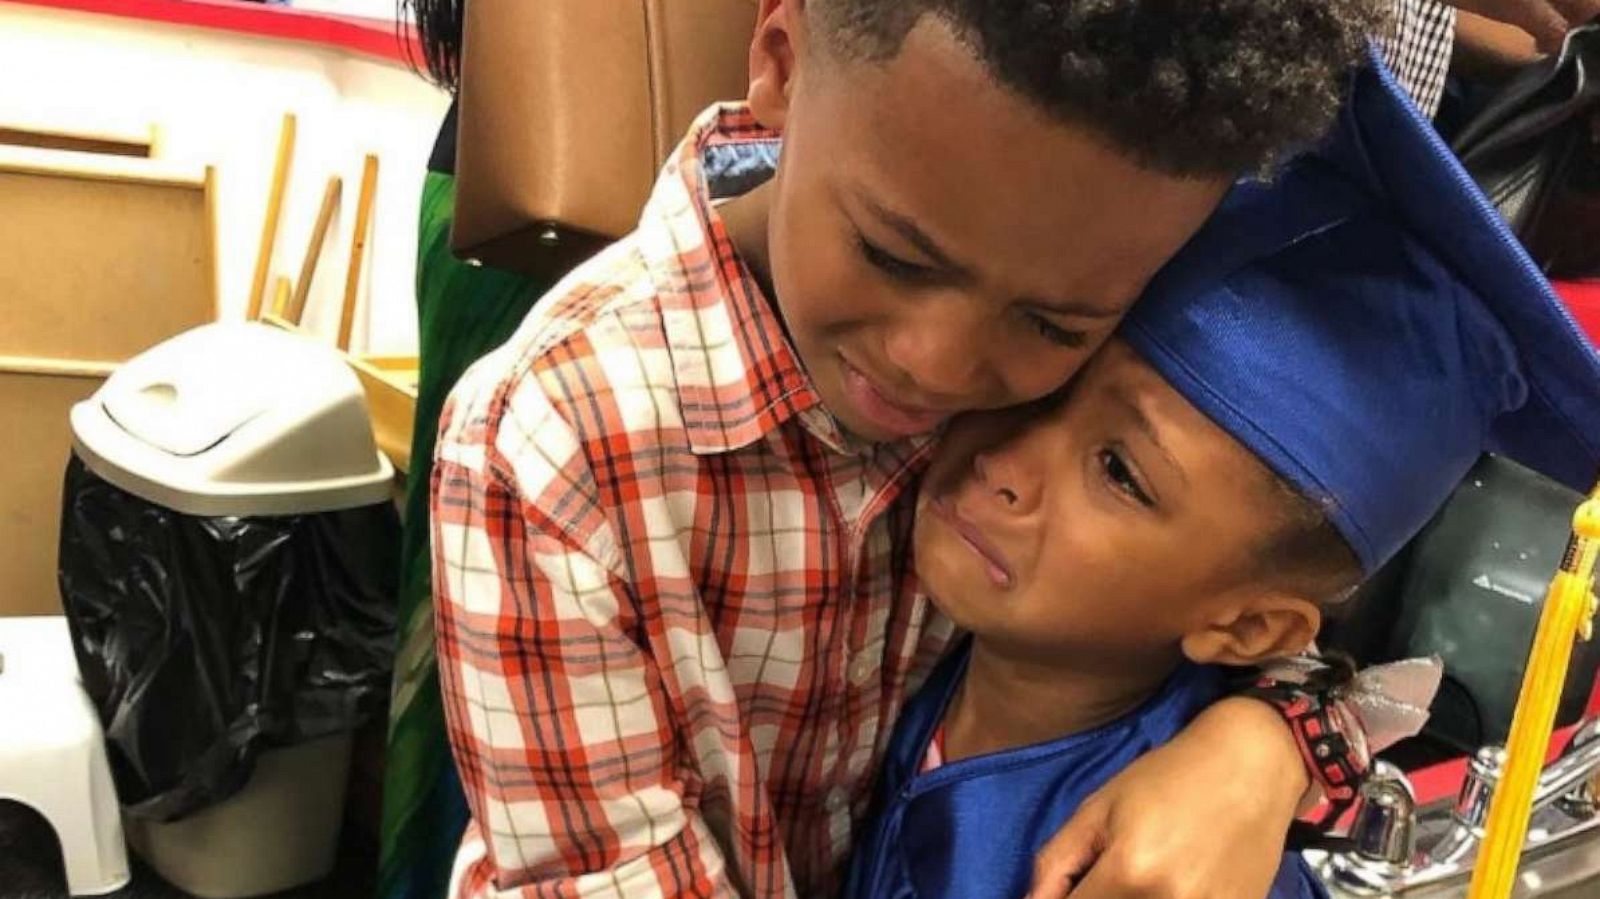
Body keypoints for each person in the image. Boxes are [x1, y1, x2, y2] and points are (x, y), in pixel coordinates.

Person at [430, 2, 1381, 897]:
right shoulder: (556, 445)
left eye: (1050, 323)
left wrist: (1264, 745)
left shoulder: (1063, 393)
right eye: (893, 256)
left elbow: (1256, 598)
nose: (937, 366)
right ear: (780, 60)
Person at [843, 56, 1600, 898]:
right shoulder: (950, 633)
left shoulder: (1145, 870)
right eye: (1053, 380)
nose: (1005, 461)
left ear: (1245, 629)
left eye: (1121, 473)